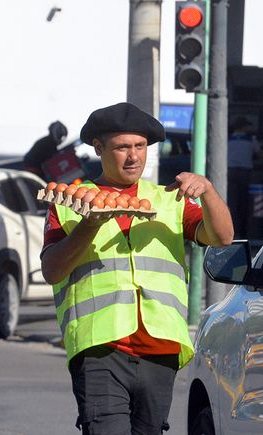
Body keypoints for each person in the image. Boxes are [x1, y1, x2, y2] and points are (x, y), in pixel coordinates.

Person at [40, 102, 234, 434]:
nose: (134, 157)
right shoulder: (72, 202)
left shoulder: (167, 200)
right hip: (101, 348)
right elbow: (53, 271)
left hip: (161, 349)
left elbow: (223, 237)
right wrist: (89, 226)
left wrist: (209, 192)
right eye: (122, 147)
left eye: (140, 146)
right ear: (99, 148)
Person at [227, 116, 262, 238]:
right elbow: (260, 154)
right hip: (244, 173)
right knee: (243, 203)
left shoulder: (228, 139)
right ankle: (242, 232)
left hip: (230, 172)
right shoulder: (250, 139)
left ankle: (231, 230)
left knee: (231, 202)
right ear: (243, 127)